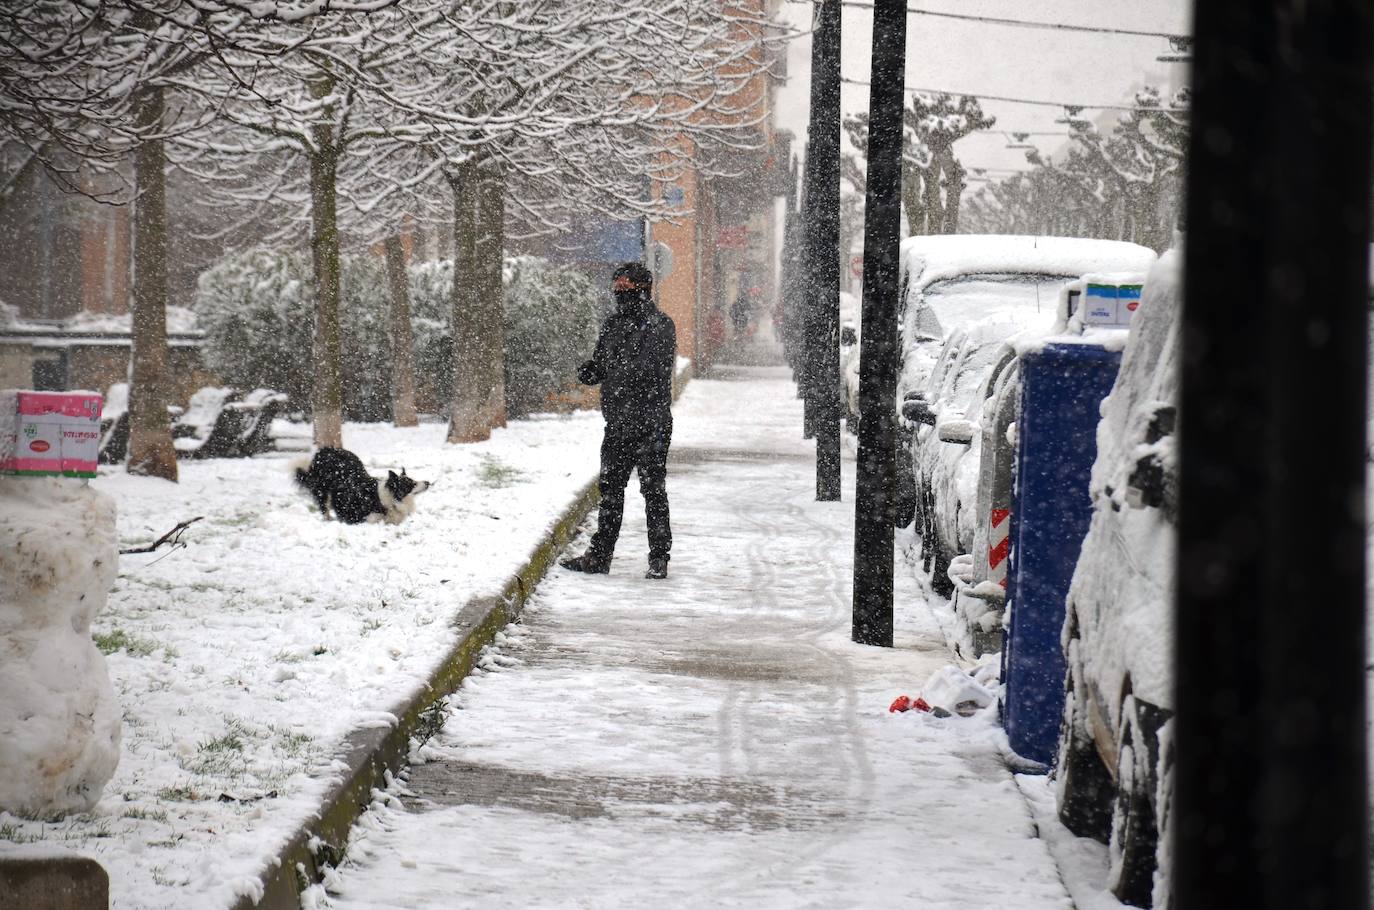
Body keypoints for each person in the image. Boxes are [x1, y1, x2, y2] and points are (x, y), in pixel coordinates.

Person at [560, 262, 676, 579]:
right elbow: (604, 364)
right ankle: (600, 556)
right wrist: (591, 371)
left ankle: (659, 557)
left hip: (651, 423)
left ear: (642, 289)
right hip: (618, 423)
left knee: (653, 491)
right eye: (617, 290)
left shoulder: (661, 325)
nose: (620, 296)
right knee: (610, 491)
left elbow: (647, 370)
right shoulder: (612, 326)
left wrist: (612, 370)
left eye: (626, 290)